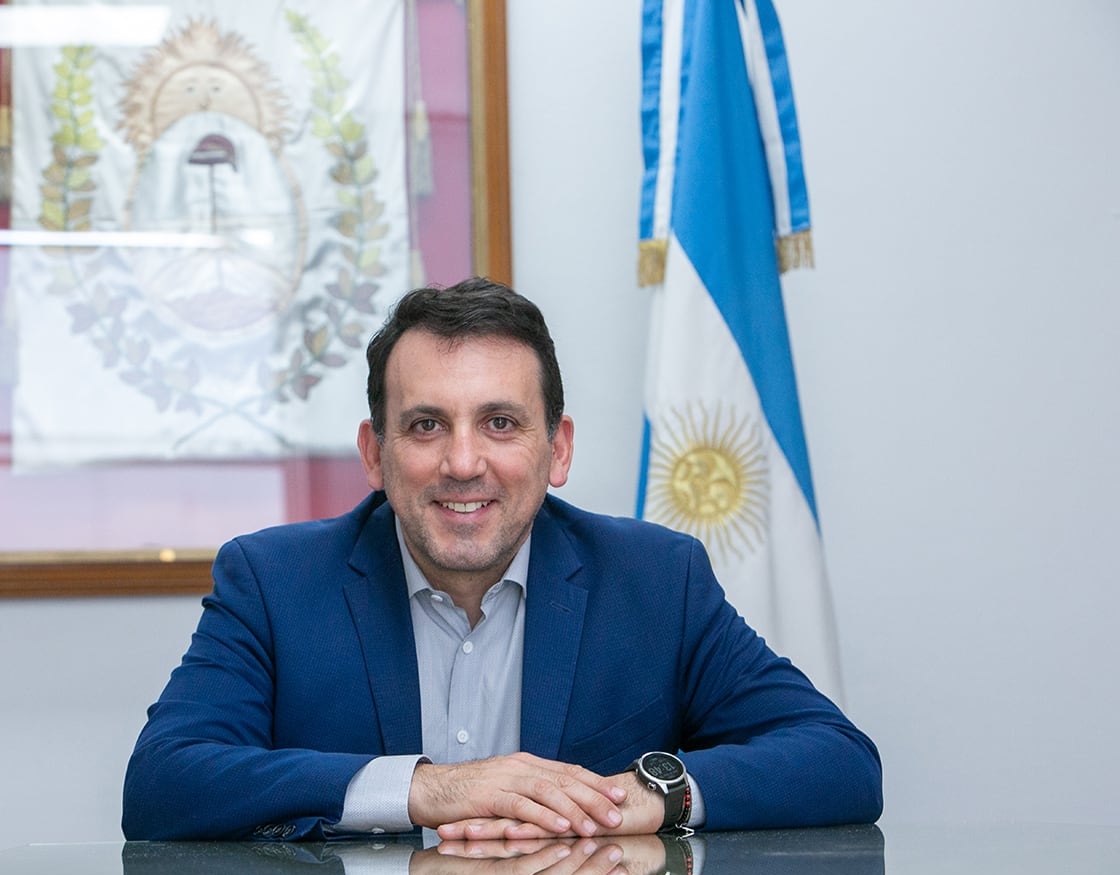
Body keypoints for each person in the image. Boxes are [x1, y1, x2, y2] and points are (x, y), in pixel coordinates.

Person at [122, 277, 882, 842]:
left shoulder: (656, 580)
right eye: (425, 424)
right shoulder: (273, 582)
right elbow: (162, 782)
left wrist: (647, 797)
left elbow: (840, 760)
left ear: (558, 449)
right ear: (374, 454)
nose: (462, 461)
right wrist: (426, 790)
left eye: (500, 422)